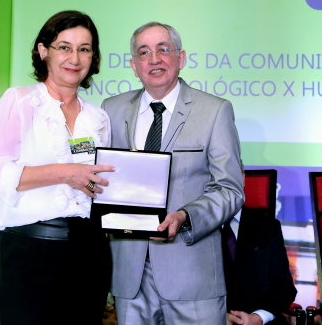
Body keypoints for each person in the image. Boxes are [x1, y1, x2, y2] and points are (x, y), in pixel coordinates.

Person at [101, 22, 244, 325]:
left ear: (181, 57)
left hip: (192, 273)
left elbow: (230, 190)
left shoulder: (215, 111)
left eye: (163, 49)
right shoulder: (110, 110)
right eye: (144, 52)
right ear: (133, 65)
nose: (154, 59)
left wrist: (184, 217)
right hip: (129, 275)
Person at [0, 10, 115, 324]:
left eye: (84, 49)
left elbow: (99, 184)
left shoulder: (98, 117)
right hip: (31, 253)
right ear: (44, 51)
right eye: (64, 47)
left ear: (93, 57)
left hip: (90, 254)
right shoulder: (19, 101)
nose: (75, 58)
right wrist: (65, 173)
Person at [223, 207, 297, 325]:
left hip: (263, 320)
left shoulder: (268, 226)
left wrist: (259, 317)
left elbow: (284, 286)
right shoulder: (195, 226)